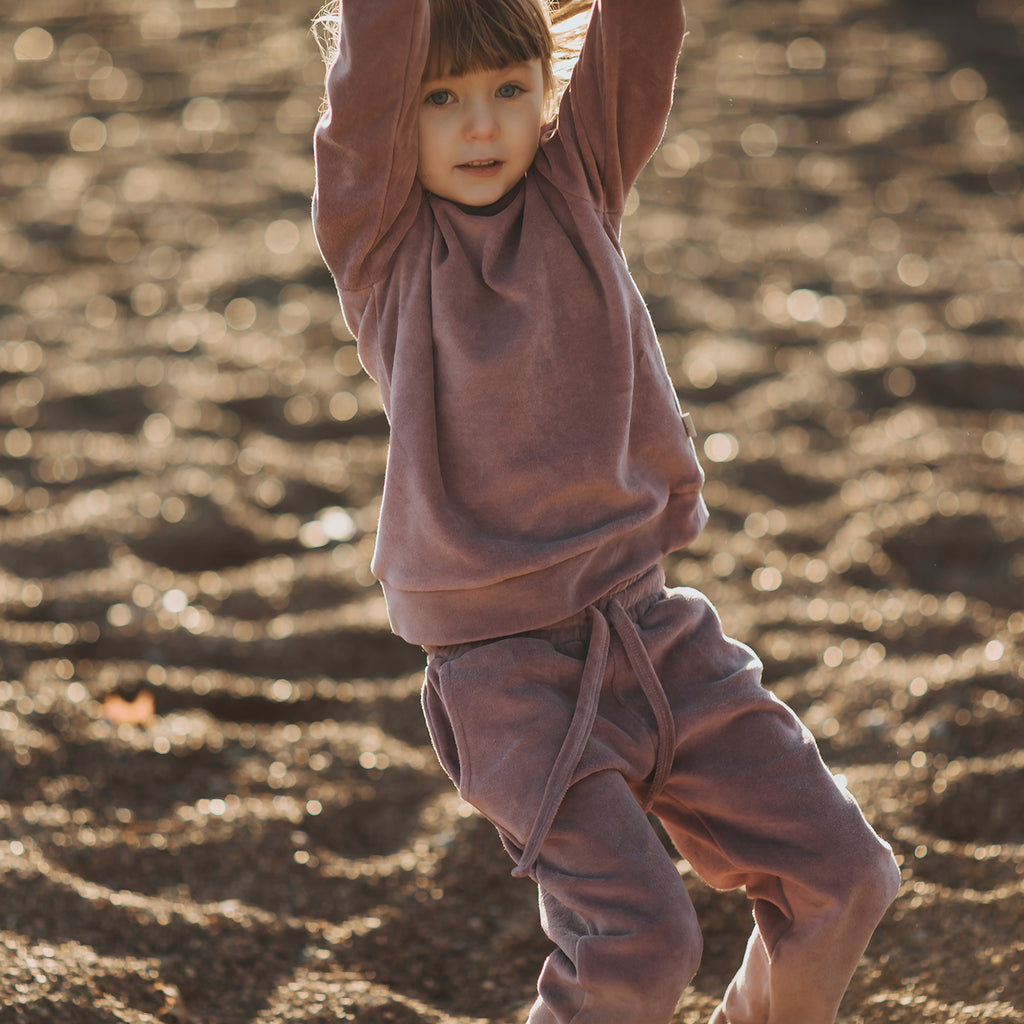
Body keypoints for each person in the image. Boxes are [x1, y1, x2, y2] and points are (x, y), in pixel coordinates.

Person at [311, 1, 901, 1021]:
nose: (482, 126)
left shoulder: (578, 183)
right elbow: (371, 70)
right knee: (641, 941)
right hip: (505, 675)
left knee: (844, 873)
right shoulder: (383, 246)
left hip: (654, 628)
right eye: (440, 100)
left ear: (547, 92)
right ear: (394, 118)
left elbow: (641, 31)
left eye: (508, 90)